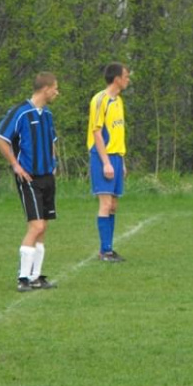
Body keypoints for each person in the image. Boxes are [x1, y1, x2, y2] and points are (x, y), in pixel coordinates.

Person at [0, 72, 59, 292]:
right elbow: (0, 138)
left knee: (43, 228)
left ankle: (36, 276)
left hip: (47, 176)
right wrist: (16, 165)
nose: (57, 93)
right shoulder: (21, 112)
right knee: (36, 225)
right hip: (29, 177)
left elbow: (52, 140)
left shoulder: (47, 114)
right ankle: (22, 278)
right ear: (45, 89)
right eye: (55, 88)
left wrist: (54, 162)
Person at [87, 62, 130, 262]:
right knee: (105, 204)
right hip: (102, 156)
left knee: (113, 205)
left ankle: (109, 249)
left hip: (116, 157)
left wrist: (121, 161)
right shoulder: (99, 100)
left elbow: (117, 132)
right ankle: (105, 251)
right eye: (126, 76)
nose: (128, 80)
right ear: (117, 79)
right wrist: (105, 162)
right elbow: (96, 132)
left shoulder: (118, 101)